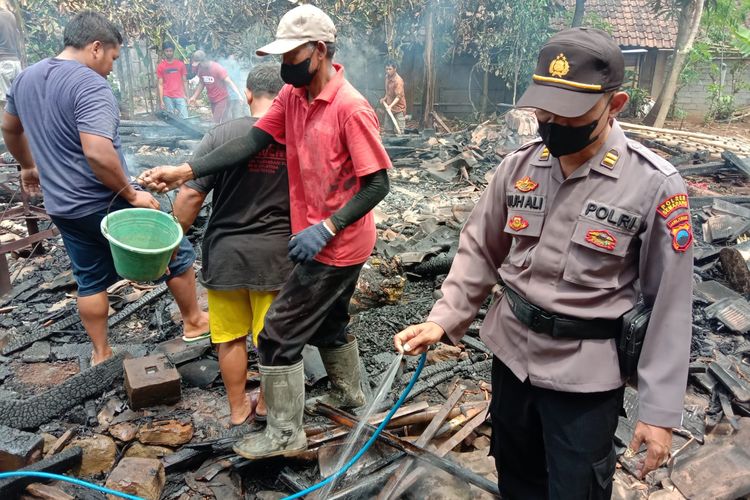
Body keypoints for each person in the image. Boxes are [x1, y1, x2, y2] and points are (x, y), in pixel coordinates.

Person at [393, 27, 693, 499]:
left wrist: (659, 412)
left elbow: (670, 306)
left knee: (577, 488)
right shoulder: (520, 166)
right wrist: (443, 319)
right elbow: (478, 248)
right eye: (544, 109)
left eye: (569, 112)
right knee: (518, 477)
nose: (551, 122)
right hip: (512, 359)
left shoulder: (654, 185)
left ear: (615, 105)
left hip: (584, 378)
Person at [139, 4, 391, 460]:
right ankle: (350, 394)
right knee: (331, 321)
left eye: (292, 56)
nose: (284, 66)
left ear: (319, 51)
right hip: (318, 236)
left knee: (276, 336)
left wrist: (327, 226)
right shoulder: (293, 98)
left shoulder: (351, 108)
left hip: (339, 243)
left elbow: (379, 183)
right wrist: (186, 169)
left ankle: (283, 433)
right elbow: (251, 141)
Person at [1, 11, 210, 366]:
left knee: (89, 276)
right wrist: (131, 194)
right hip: (105, 200)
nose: (112, 68)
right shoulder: (89, 83)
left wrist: (28, 166)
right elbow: (97, 152)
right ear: (96, 47)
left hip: (63, 205)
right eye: (113, 57)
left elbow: (9, 128)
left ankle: (101, 352)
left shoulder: (26, 79)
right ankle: (194, 321)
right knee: (176, 252)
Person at [172, 62, 291, 429]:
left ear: (249, 93)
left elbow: (191, 198)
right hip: (276, 257)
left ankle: (238, 409)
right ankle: (268, 407)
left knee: (229, 338)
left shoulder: (221, 136)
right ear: (285, 94)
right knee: (271, 341)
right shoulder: (294, 136)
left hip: (225, 256)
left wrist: (173, 238)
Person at [189, 50, 243, 124]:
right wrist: (194, 97)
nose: (199, 65)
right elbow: (202, 83)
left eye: (199, 63)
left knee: (217, 121)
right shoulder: (201, 69)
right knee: (222, 122)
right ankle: (227, 134)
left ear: (203, 60)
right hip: (213, 100)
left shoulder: (217, 68)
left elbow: (229, 82)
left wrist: (239, 95)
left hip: (222, 99)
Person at [156, 41, 188, 119]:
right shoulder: (161, 66)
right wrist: (161, 101)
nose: (169, 53)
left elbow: (185, 81)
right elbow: (160, 84)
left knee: (185, 118)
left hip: (179, 95)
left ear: (173, 51)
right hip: (167, 96)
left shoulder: (180, 64)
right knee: (171, 119)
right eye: (167, 51)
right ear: (164, 52)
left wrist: (187, 96)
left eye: (170, 51)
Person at [0, 6, 23, 115]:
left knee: (4, 103)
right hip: (16, 62)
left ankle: (7, 131)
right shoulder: (10, 15)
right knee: (18, 100)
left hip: (3, 63)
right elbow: (18, 37)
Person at [380, 60, 405, 134]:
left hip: (398, 108)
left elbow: (398, 97)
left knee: (399, 131)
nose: (388, 71)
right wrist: (384, 98)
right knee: (388, 130)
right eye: (386, 69)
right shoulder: (387, 77)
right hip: (389, 108)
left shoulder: (398, 80)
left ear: (395, 69)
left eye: (390, 69)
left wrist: (390, 106)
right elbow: (388, 91)